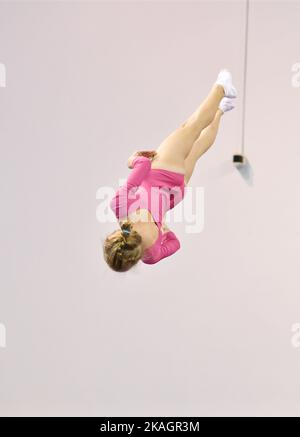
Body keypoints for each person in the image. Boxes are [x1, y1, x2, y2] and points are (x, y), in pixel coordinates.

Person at [104, 70, 237, 271]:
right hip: (162, 169)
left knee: (199, 148)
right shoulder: (119, 208)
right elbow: (144, 165)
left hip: (176, 190)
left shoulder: (151, 255)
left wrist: (163, 230)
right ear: (113, 239)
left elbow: (175, 244)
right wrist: (132, 159)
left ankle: (221, 110)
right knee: (191, 127)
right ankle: (221, 87)